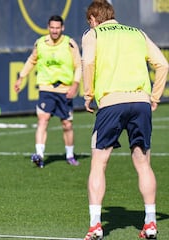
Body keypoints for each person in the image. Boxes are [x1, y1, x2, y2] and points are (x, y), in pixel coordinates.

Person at [82, 0, 169, 239]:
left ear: (92, 18)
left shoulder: (93, 34)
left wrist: (88, 95)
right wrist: (155, 97)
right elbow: (163, 64)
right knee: (143, 164)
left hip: (111, 103)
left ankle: (95, 225)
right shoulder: (137, 32)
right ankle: (150, 222)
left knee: (99, 163)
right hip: (140, 102)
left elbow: (88, 62)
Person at [14, 15, 82, 168]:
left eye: (58, 28)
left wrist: (75, 84)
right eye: (52, 27)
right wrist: (21, 77)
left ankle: (70, 155)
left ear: (62, 28)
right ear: (48, 27)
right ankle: (39, 155)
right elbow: (32, 60)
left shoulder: (69, 43)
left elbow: (78, 65)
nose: (55, 31)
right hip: (46, 88)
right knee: (43, 120)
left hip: (65, 89)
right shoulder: (41, 43)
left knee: (67, 124)